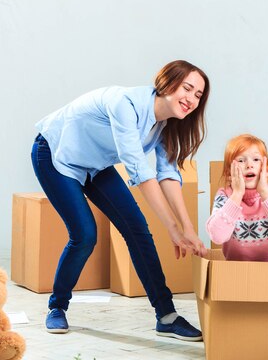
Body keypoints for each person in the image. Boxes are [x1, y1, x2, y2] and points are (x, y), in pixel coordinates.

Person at [31, 60, 209, 341]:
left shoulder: (166, 125)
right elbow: (140, 170)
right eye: (187, 88)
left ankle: (166, 316)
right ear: (166, 82)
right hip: (56, 155)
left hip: (95, 165)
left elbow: (168, 175)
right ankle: (57, 306)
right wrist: (172, 228)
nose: (191, 99)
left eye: (198, 95)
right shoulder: (124, 104)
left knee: (137, 229)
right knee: (85, 234)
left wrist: (187, 228)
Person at [206, 134, 268, 262]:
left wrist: (264, 192)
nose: (249, 165)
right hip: (236, 272)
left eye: (256, 159)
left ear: (267, 169)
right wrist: (237, 194)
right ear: (229, 172)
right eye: (241, 160)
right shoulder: (225, 196)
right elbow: (217, 236)